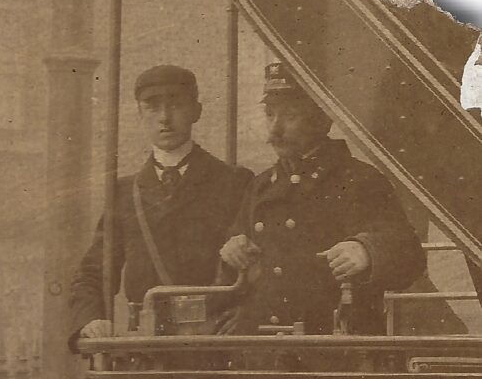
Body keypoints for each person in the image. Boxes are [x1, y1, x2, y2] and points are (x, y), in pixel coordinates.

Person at [218, 62, 426, 334]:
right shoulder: (260, 187)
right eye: (270, 115)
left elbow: (410, 256)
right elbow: (233, 271)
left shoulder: (359, 180)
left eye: (289, 116)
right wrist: (232, 252)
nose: (274, 130)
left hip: (337, 347)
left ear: (322, 119)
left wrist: (367, 251)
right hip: (266, 345)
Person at [69, 64, 253, 346]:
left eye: (176, 104)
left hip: (215, 342)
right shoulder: (124, 193)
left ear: (196, 111)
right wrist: (91, 319)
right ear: (139, 114)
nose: (164, 118)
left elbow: (259, 266)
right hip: (147, 344)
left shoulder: (234, 183)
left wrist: (246, 313)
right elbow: (93, 273)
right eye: (152, 107)